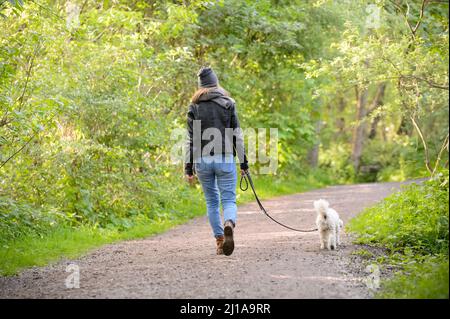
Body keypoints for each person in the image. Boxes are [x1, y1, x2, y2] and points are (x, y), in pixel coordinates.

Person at [185, 66, 248, 256]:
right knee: (228, 199)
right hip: (225, 157)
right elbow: (237, 135)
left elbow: (191, 140)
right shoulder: (228, 103)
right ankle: (229, 222)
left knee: (212, 202)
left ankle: (220, 241)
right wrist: (244, 163)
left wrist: (188, 168)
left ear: (200, 86)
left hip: (203, 160)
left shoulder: (194, 106)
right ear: (215, 83)